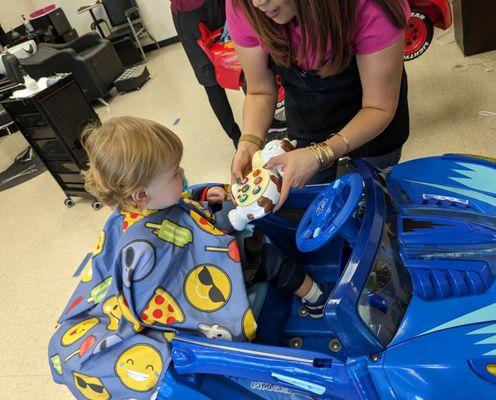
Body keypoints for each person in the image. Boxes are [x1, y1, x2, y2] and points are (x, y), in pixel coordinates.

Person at [48, 116, 325, 399]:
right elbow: (172, 285)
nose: (182, 172)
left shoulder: (152, 201)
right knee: (267, 259)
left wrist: (205, 198)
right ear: (141, 195)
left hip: (203, 258)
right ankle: (317, 299)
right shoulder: (141, 242)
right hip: (194, 286)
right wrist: (225, 224)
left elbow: (183, 209)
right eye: (173, 173)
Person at [227, 0, 410, 210]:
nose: (258, 3)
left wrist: (321, 153)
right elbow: (260, 90)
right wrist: (249, 142)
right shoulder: (243, 6)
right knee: (318, 206)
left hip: (373, 126)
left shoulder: (371, 7)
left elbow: (378, 107)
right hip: (308, 118)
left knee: (373, 204)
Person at [171, 0, 242, 148]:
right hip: (187, 12)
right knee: (210, 79)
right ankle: (236, 136)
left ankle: (264, 120)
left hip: (213, 5)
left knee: (241, 57)